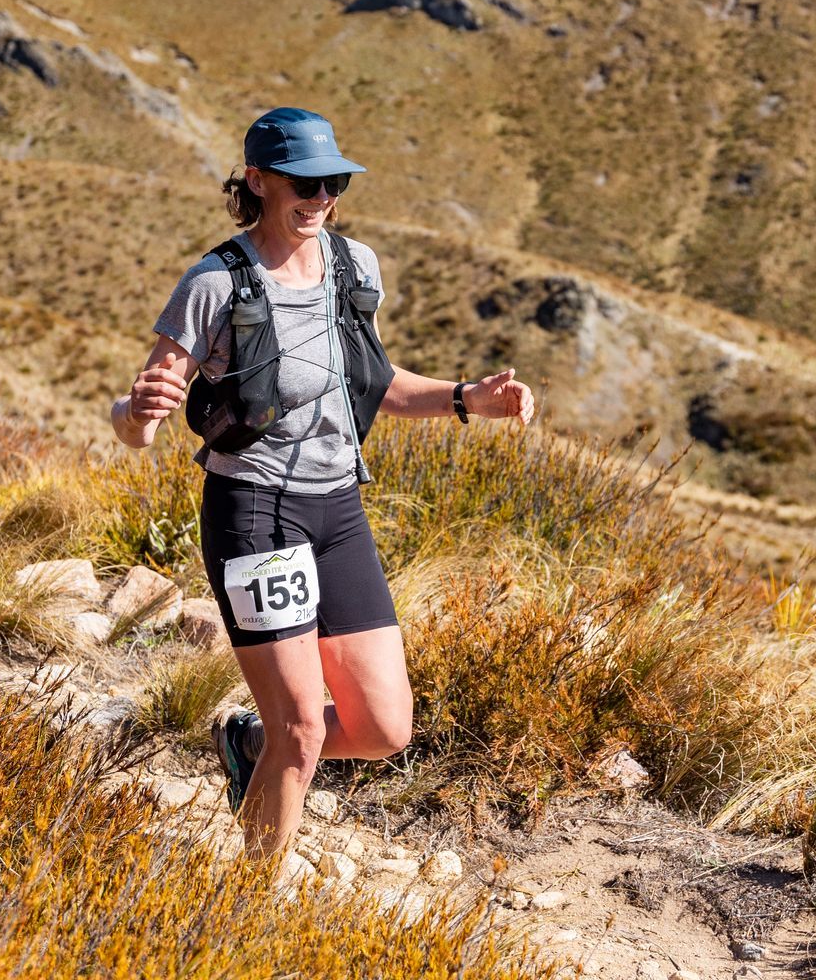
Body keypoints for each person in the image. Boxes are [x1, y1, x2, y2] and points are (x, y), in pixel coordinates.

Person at [111, 107, 534, 858]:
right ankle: (251, 912)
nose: (320, 196)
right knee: (303, 728)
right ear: (258, 180)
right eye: (304, 182)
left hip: (338, 509)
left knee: (381, 729)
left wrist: (469, 398)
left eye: (333, 182)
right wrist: (137, 417)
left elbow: (370, 384)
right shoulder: (215, 283)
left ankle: (248, 745)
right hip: (253, 511)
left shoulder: (353, 266)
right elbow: (144, 410)